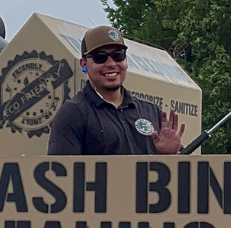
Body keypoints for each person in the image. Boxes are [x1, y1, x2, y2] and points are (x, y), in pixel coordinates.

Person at [47, 26, 185, 156]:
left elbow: (175, 176)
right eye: (100, 57)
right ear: (84, 64)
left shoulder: (150, 111)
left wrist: (171, 157)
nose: (111, 64)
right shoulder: (74, 113)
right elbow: (61, 175)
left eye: (118, 55)